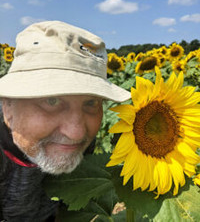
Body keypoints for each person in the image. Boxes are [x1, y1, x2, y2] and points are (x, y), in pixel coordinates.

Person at [0, 20, 131, 221]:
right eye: (51, 101)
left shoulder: (76, 142)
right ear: (7, 104)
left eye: (91, 102)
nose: (76, 133)